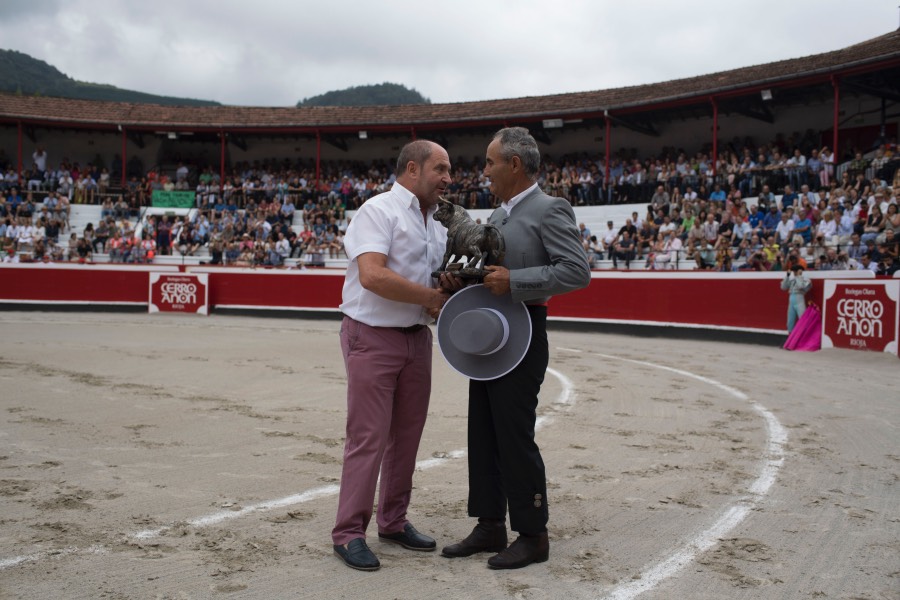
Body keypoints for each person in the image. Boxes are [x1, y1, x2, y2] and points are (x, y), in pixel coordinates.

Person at [441, 127, 591, 570]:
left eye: (489, 162)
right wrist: (460, 279)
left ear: (515, 165)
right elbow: (489, 273)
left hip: (525, 331)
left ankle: (533, 534)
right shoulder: (498, 216)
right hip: (489, 332)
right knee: (483, 431)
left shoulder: (550, 209)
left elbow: (577, 272)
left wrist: (516, 282)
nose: (483, 171)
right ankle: (490, 524)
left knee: (514, 434)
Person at [332, 139, 456, 572]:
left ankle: (393, 521)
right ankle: (348, 533)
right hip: (372, 335)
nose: (447, 178)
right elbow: (372, 275)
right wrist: (431, 296)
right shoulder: (378, 210)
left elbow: (440, 280)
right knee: (368, 436)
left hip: (416, 338)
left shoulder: (438, 224)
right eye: (440, 169)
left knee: (406, 435)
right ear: (411, 170)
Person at [780, 263, 811, 333]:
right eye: (793, 271)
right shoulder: (792, 279)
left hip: (799, 299)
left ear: (800, 271)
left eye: (795, 271)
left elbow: (800, 286)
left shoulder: (805, 279)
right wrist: (787, 276)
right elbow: (783, 287)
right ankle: (791, 340)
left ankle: (803, 338)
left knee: (803, 320)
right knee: (789, 322)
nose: (793, 273)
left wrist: (799, 276)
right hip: (791, 300)